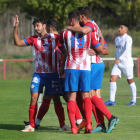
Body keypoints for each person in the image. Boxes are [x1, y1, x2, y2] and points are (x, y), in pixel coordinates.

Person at [59, 11, 112, 134]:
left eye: (68, 20)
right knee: (86, 97)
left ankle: (73, 127)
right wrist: (98, 47)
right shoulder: (90, 34)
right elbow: (101, 48)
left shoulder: (64, 33)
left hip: (71, 67)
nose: (67, 22)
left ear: (72, 20)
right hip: (85, 68)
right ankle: (88, 125)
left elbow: (61, 47)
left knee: (71, 97)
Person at [13, 16, 69, 132]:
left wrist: (63, 65)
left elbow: (64, 52)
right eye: (34, 26)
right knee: (33, 98)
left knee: (57, 100)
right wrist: (15, 28)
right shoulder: (33, 39)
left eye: (37, 26)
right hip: (38, 75)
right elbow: (17, 43)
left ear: (44, 26)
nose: (36, 28)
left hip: (52, 74)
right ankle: (31, 126)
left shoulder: (56, 38)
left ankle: (62, 125)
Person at [104, 24, 137, 106]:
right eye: (119, 27)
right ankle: (112, 101)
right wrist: (117, 59)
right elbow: (117, 51)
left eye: (121, 28)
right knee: (112, 79)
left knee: (130, 81)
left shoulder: (128, 38)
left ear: (126, 30)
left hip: (126, 63)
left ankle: (133, 101)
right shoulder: (117, 39)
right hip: (118, 63)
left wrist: (120, 59)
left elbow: (127, 50)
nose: (119, 29)